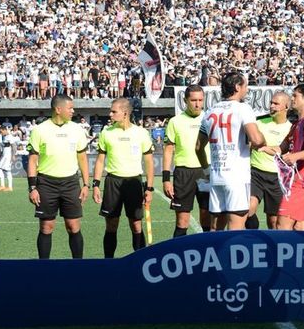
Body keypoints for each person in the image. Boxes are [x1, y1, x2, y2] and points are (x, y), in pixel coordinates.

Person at [195, 72, 265, 230]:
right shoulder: (243, 109)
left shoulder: (210, 112)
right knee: (236, 229)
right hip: (236, 178)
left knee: (215, 229)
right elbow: (256, 139)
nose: (247, 89)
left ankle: (217, 255)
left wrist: (207, 170)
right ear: (237, 87)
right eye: (245, 86)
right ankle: (233, 256)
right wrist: (262, 140)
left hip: (217, 176)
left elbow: (198, 147)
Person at [27, 95, 90, 259]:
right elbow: (33, 161)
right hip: (46, 183)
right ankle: (44, 267)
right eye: (70, 108)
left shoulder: (77, 129)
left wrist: (86, 184)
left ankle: (78, 266)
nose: (73, 111)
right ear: (58, 109)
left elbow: (82, 158)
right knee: (47, 227)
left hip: (71, 182)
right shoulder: (39, 130)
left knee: (73, 226)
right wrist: (32, 188)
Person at [92, 98, 154, 258]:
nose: (110, 114)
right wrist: (96, 184)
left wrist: (149, 189)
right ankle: (108, 263)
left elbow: (149, 162)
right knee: (111, 225)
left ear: (125, 113)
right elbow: (100, 160)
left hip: (133, 182)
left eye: (114, 111)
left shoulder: (141, 133)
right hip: (113, 182)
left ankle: (141, 262)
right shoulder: (106, 133)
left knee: (136, 225)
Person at [265, 84, 304, 231]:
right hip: (296, 180)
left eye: (295, 95)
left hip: (302, 181)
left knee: (282, 225)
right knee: (300, 227)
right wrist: (261, 147)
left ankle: (283, 254)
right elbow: (281, 149)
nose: (292, 98)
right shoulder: (297, 123)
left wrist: (295, 156)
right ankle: (301, 254)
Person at [162, 85, 211, 237]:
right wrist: (166, 179)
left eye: (200, 100)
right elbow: (168, 150)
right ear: (185, 101)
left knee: (207, 219)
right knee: (182, 222)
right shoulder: (175, 122)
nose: (197, 104)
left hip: (206, 172)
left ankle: (207, 257)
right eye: (193, 100)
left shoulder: (209, 118)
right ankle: (178, 257)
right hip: (183, 173)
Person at [245, 91, 292, 230]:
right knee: (248, 209)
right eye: (271, 102)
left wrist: (265, 148)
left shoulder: (291, 128)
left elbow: (285, 152)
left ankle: (272, 249)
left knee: (273, 221)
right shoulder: (258, 123)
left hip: (278, 178)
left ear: (286, 106)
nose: (272, 106)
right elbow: (248, 146)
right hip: (256, 173)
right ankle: (253, 233)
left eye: (276, 104)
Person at [0, 125, 17, 191]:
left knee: (3, 169)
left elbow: (14, 146)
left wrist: (13, 155)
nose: (1, 133)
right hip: (5, 156)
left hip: (8, 156)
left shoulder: (10, 136)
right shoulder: (5, 137)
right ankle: (4, 186)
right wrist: (1, 153)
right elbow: (5, 147)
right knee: (3, 169)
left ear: (4, 130)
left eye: (1, 131)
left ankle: (7, 187)